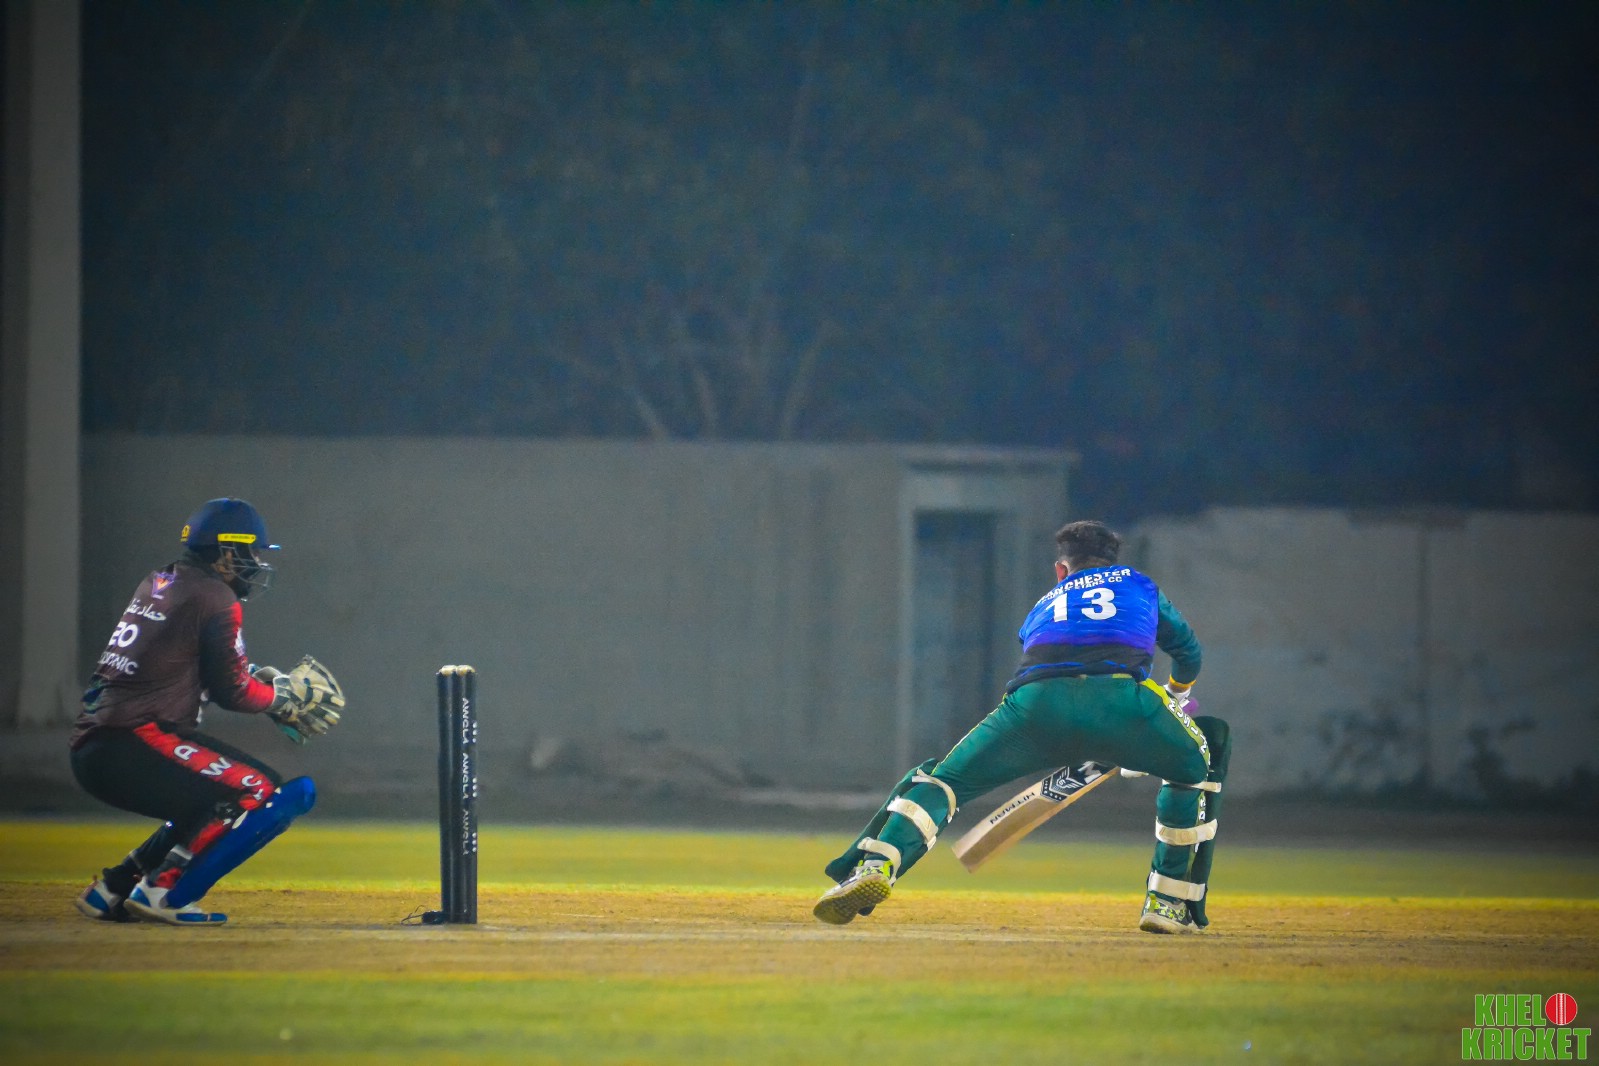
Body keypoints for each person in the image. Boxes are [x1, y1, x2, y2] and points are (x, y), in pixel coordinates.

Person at [813, 519, 1232, 933]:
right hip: (1121, 702)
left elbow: (1050, 661)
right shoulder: (1140, 585)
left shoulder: (1044, 604)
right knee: (1194, 767)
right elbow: (1187, 652)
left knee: (944, 782)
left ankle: (876, 866)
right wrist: (1171, 705)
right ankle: (1167, 902)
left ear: (1061, 569)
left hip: (1033, 706)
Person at [69, 497, 343, 926]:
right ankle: (165, 892)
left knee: (208, 802)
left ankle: (114, 888)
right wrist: (280, 699)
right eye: (251, 552)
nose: (256, 564)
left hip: (96, 745)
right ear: (228, 552)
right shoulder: (215, 596)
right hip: (135, 738)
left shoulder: (161, 580)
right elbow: (233, 691)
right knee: (258, 789)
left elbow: (185, 666)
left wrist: (255, 677)